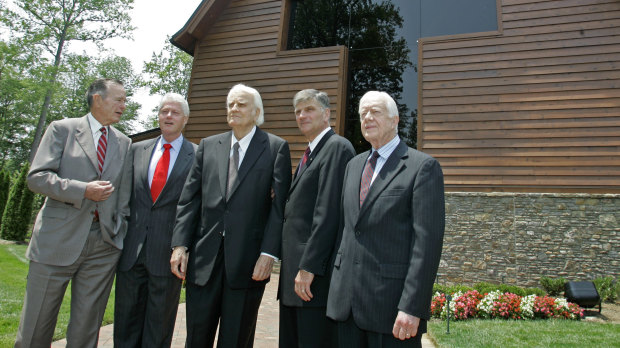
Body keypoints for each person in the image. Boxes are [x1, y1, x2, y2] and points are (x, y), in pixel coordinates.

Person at [169, 84, 291, 347]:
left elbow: (280, 207)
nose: (234, 108)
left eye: (241, 104)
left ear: (256, 111)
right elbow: (190, 200)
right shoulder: (208, 146)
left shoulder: (275, 148)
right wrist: (180, 245)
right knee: (196, 337)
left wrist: (269, 254)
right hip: (204, 261)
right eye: (230, 104)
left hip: (248, 264)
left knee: (236, 339)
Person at [16, 78, 132, 347]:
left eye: (125, 100)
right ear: (97, 99)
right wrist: (82, 190)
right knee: (35, 327)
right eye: (119, 99)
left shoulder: (124, 142)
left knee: (86, 330)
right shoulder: (62, 130)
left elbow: (124, 193)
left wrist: (117, 230)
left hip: (103, 246)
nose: (123, 106)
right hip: (56, 242)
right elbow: (37, 178)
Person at [326, 91, 445, 348]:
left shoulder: (422, 167)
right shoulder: (354, 166)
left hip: (391, 311)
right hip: (345, 308)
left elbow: (427, 245)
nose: (367, 117)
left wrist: (412, 307)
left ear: (395, 119)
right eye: (363, 113)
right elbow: (347, 231)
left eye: (375, 111)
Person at [114, 93, 197, 347]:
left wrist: (183, 246)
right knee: (126, 323)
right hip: (132, 252)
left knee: (158, 327)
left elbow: (198, 205)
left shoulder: (198, 154)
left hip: (168, 254)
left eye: (174, 112)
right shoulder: (137, 149)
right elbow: (124, 196)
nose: (168, 116)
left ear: (185, 119)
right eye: (163, 111)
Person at [278, 89, 355, 347]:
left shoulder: (337, 148)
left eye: (308, 109)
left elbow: (328, 213)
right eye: (298, 111)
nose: (302, 115)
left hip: (313, 281)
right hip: (295, 278)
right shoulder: (310, 152)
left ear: (326, 114)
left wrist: (308, 266)